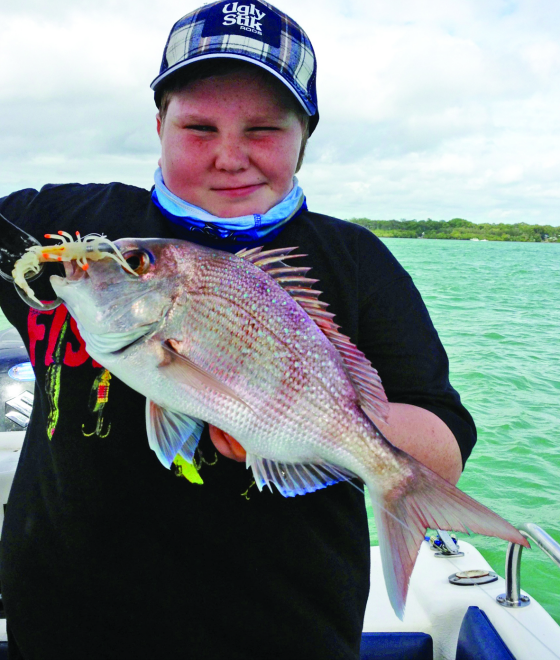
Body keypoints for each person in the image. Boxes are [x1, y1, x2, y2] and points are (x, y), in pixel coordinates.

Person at [0, 1, 476, 658]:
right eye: (198, 126)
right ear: (159, 122)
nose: (230, 157)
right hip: (57, 632)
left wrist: (301, 422)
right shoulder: (65, 224)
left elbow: (445, 447)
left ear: (304, 134)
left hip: (279, 637)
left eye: (263, 129)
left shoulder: (357, 262)